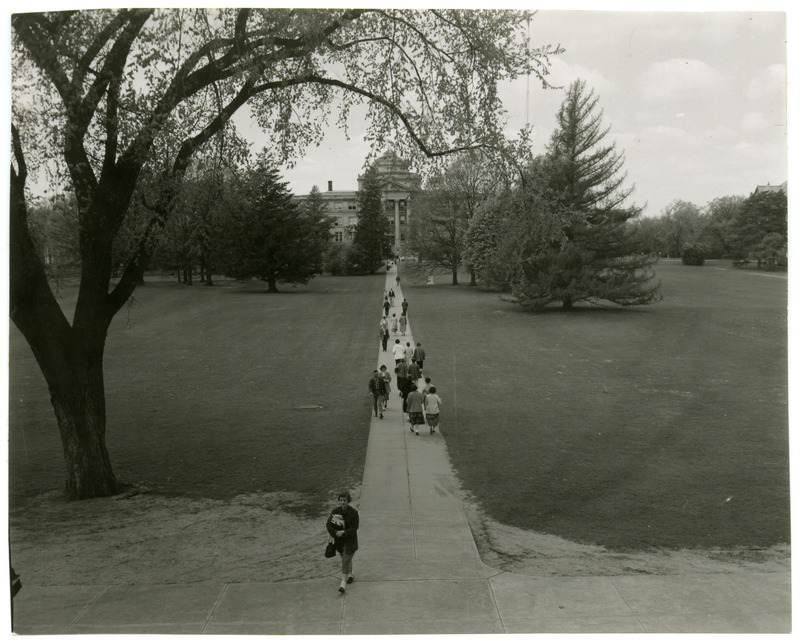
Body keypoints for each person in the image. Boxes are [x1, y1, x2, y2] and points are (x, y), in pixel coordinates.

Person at [326, 491, 359, 593]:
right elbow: (328, 524)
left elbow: (355, 528)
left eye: (344, 500)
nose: (342, 502)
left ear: (348, 500)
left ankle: (343, 584)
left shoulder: (354, 513)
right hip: (339, 542)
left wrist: (343, 532)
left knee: (345, 560)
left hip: (350, 542)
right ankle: (351, 574)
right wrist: (335, 533)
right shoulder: (335, 511)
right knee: (346, 559)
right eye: (341, 500)